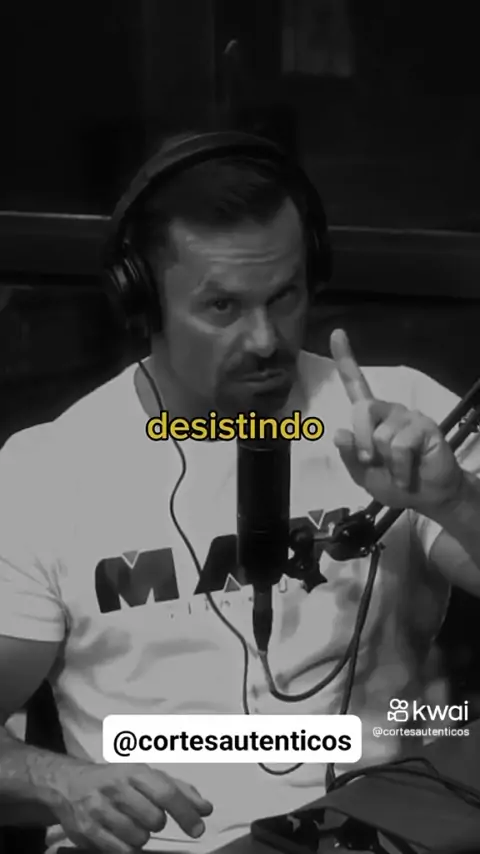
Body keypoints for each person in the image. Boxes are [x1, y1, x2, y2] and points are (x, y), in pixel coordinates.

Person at [1, 139, 480, 854]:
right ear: (143, 299)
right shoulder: (48, 470)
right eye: (222, 306)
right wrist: (57, 780)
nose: (263, 339)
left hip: (375, 832)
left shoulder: (399, 417)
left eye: (284, 297)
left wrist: (452, 500)